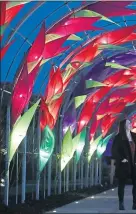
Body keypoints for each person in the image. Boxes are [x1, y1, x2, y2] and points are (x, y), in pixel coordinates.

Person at [112, 119, 136, 210]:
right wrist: (122, 159)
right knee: (121, 184)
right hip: (124, 165)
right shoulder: (119, 137)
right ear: (124, 125)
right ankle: (121, 203)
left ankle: (135, 203)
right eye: (128, 123)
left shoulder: (134, 136)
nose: (130, 124)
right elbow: (114, 150)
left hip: (134, 164)